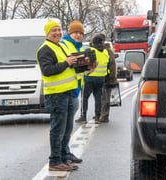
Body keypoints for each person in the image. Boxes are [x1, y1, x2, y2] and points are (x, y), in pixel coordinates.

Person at [36, 19, 83, 171]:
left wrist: (84, 66)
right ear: (47, 33)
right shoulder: (45, 49)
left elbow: (69, 68)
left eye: (58, 30)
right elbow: (47, 70)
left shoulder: (58, 46)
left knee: (67, 128)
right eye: (53, 31)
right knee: (58, 129)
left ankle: (63, 157)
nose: (57, 33)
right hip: (56, 95)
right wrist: (67, 63)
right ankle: (55, 161)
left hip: (67, 93)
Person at [60, 20, 86, 163]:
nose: (78, 35)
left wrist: (89, 67)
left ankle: (66, 152)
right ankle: (61, 155)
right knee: (62, 127)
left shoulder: (80, 47)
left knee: (68, 126)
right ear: (70, 33)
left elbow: (80, 69)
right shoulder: (64, 44)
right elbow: (64, 64)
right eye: (75, 32)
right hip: (65, 90)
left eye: (80, 33)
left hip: (75, 90)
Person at [75, 34, 109, 124]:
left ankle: (83, 116)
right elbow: (108, 65)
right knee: (98, 98)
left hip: (90, 77)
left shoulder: (90, 51)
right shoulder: (105, 52)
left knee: (85, 97)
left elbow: (83, 63)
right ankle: (97, 116)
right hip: (101, 78)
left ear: (93, 43)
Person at [98, 33, 118, 122]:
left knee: (105, 98)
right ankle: (100, 115)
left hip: (107, 78)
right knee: (101, 97)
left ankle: (104, 116)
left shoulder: (107, 50)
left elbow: (112, 64)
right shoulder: (101, 50)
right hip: (101, 77)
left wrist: (111, 77)